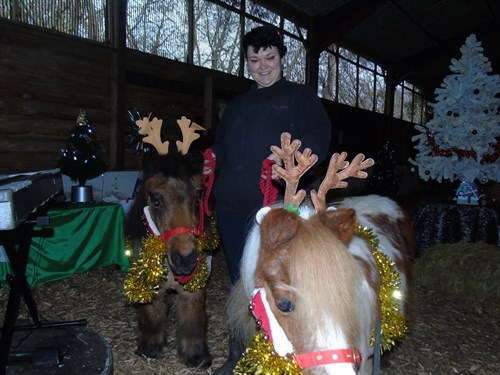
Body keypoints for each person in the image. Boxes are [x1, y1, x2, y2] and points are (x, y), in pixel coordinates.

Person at [208, 26, 332, 285]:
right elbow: (222, 145)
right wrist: (208, 159)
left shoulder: (300, 97)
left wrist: (289, 159)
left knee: (276, 279)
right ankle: (243, 324)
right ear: (247, 63)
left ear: (282, 58)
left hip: (275, 205)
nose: (262, 66)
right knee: (239, 277)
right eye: (254, 60)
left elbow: (318, 138)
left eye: (270, 58)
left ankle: (274, 325)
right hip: (230, 208)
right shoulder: (237, 106)